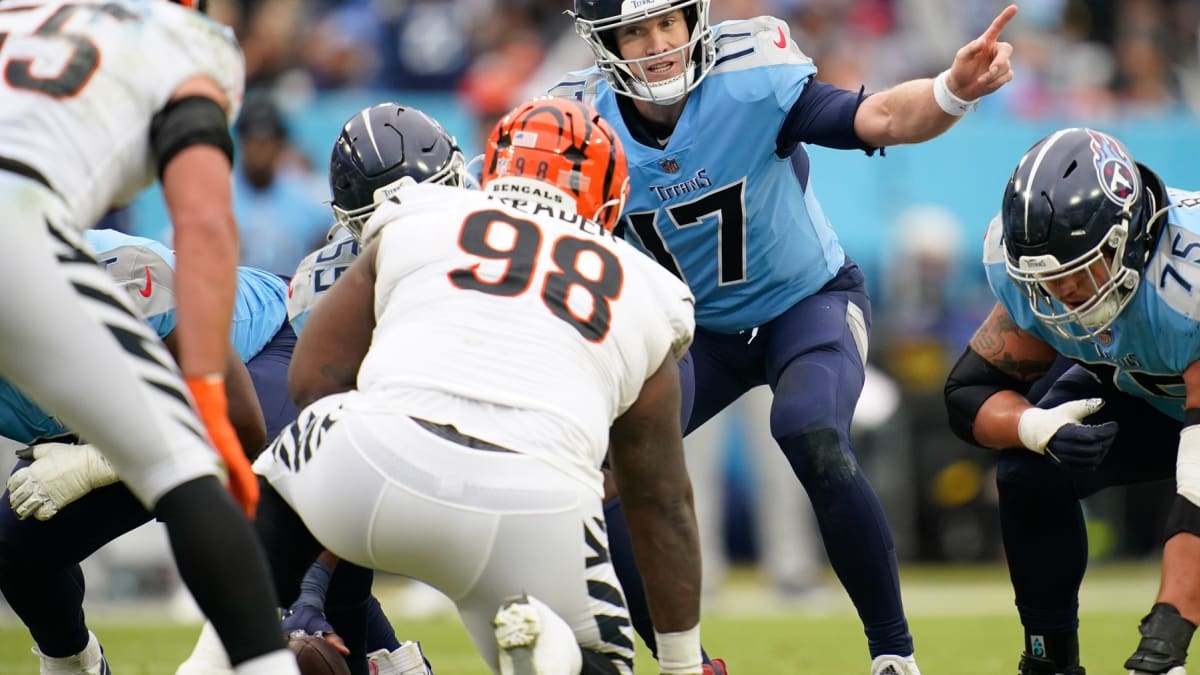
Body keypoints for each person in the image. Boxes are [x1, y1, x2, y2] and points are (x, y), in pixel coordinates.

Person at [548, 1, 1017, 673]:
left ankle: (893, 653)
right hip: (691, 335)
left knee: (809, 429)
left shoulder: (750, 82)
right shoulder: (580, 122)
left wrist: (951, 89)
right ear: (605, 42)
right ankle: (686, 662)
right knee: (605, 475)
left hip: (806, 303)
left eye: (669, 23)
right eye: (636, 30)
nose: (657, 43)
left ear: (693, 22)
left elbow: (876, 116)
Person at [251, 96, 703, 675]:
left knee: (284, 485)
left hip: (376, 467)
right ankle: (552, 649)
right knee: (596, 656)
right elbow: (661, 501)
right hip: (539, 499)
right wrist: (684, 665)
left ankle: (227, 653)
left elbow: (313, 384)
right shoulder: (648, 287)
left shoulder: (414, 220)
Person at [0, 1, 297, 673]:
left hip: (259, 344)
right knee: (17, 543)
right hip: (43, 246)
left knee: (237, 487)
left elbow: (223, 381)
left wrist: (106, 459)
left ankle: (370, 654)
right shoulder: (182, 48)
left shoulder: (109, 274)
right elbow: (203, 221)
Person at [943, 127, 1199, 675]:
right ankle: (1049, 660)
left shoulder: (1188, 284)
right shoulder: (1039, 271)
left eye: (1078, 270)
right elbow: (967, 394)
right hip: (1152, 391)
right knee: (1027, 474)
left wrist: (1167, 632)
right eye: (1048, 278)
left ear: (1127, 237)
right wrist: (1038, 428)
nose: (1063, 294)